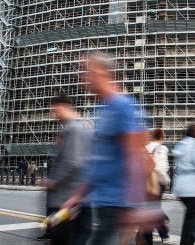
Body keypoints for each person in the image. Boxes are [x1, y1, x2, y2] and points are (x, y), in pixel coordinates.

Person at [61, 52, 152, 244]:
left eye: (87, 71)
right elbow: (99, 162)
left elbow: (135, 156)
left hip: (117, 204)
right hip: (102, 202)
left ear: (101, 72)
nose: (83, 77)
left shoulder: (124, 106)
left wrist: (138, 206)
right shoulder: (101, 109)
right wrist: (78, 196)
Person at [39, 94, 91, 244]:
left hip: (68, 199)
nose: (54, 114)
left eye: (55, 110)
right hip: (72, 199)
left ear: (64, 106)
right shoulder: (77, 128)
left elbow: (73, 162)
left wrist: (53, 182)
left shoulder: (74, 129)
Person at [140, 128, 171, 244]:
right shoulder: (162, 148)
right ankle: (163, 232)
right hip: (156, 183)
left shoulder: (146, 148)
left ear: (153, 136)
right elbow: (161, 168)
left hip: (144, 183)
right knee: (153, 209)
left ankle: (149, 239)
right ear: (162, 137)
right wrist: (166, 180)